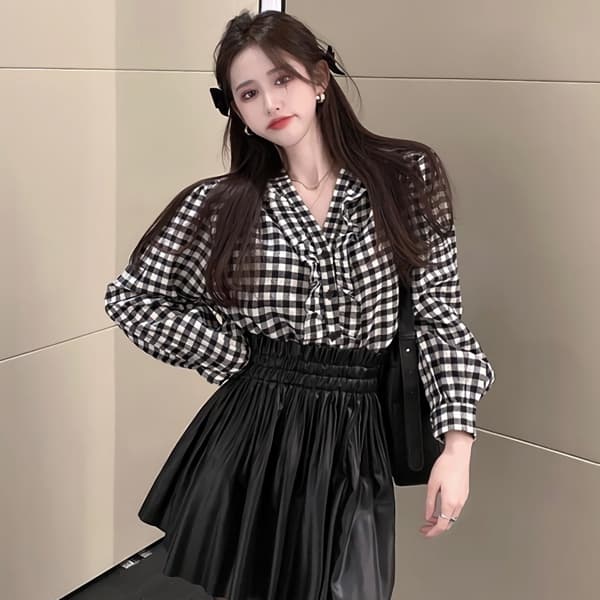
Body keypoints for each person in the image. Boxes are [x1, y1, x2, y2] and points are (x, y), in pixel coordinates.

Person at [103, 9, 495, 600]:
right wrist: (232, 353)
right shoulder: (221, 204)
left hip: (355, 426)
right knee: (258, 583)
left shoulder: (406, 178)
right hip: (256, 424)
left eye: (281, 79)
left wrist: (458, 446)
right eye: (248, 93)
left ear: (319, 78)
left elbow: (440, 318)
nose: (270, 102)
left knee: (351, 586)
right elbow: (131, 297)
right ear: (236, 111)